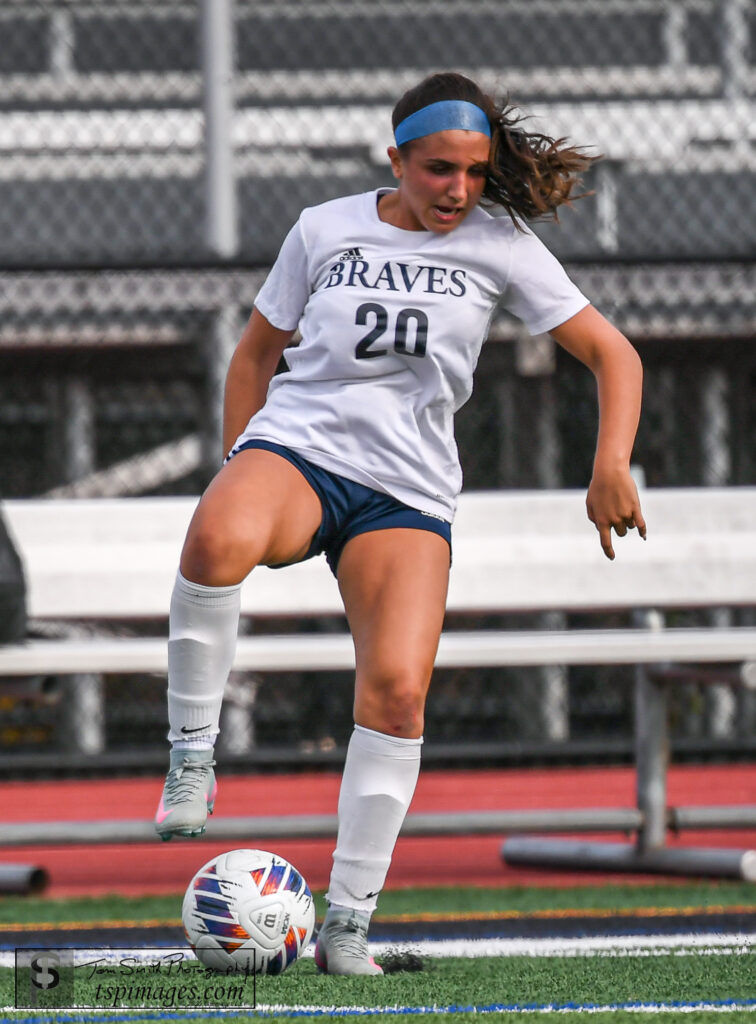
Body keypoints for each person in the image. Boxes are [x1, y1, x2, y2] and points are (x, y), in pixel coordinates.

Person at [154, 71, 646, 975]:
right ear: (396, 160)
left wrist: (610, 462)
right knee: (216, 536)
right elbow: (256, 354)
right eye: (437, 169)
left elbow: (614, 355)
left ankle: (346, 926)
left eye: (474, 171)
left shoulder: (503, 243)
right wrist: (241, 464)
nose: (457, 188)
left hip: (406, 491)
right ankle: (192, 758)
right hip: (301, 449)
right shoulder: (324, 227)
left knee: (397, 694)